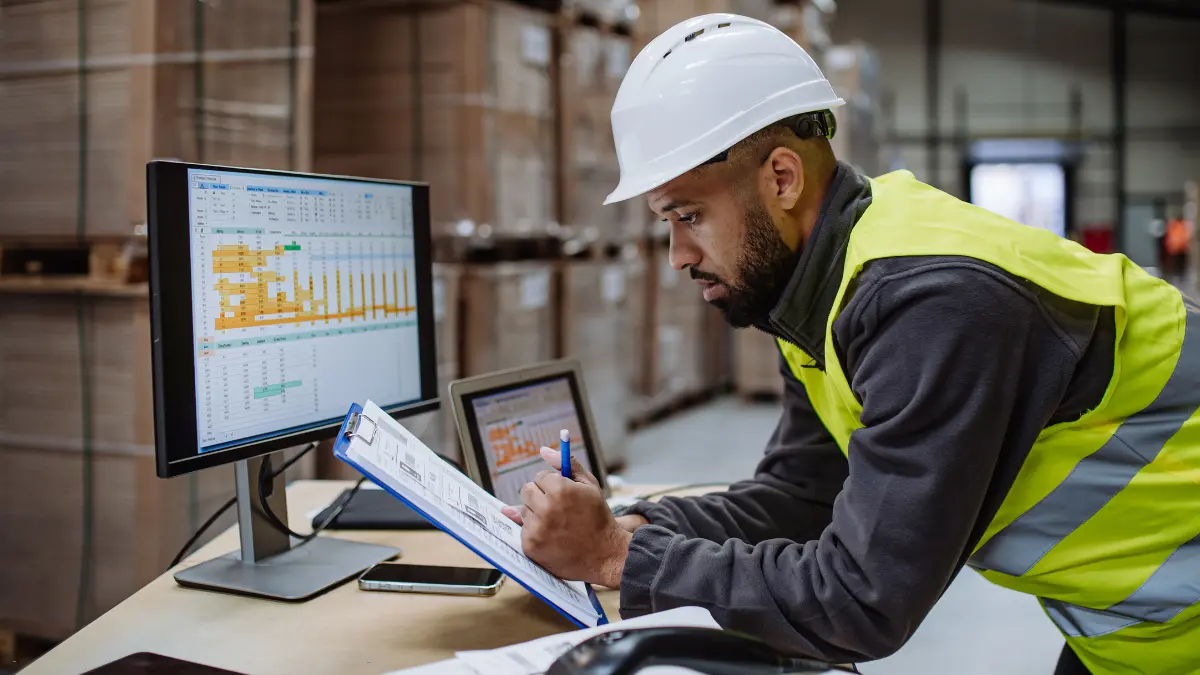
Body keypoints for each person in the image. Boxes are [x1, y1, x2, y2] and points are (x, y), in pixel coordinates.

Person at [500, 14, 1200, 675]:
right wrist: (638, 524)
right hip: (1140, 633)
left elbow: (862, 596)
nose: (678, 255)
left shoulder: (932, 303)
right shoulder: (822, 287)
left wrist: (619, 555)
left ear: (781, 177)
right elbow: (806, 494)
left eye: (689, 215)